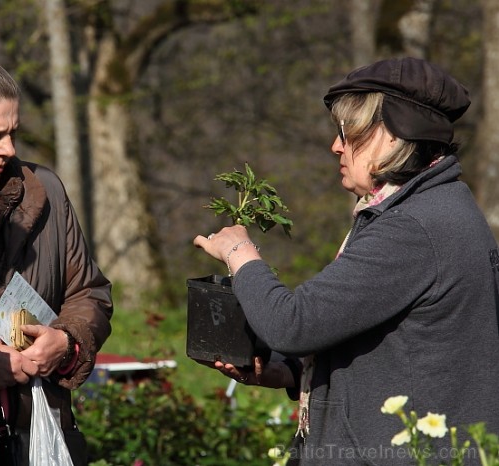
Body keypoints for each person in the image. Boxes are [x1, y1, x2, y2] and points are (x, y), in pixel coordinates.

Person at [194, 57, 499, 465]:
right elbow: (374, 339)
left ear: (393, 135)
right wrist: (284, 373)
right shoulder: (431, 209)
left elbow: (292, 324)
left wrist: (240, 253)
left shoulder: (415, 226)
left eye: (348, 132)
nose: (336, 146)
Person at [0, 54, 113, 466]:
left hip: (40, 431)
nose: (8, 149)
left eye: (13, 132)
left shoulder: (43, 190)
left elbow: (89, 291)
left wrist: (66, 342)